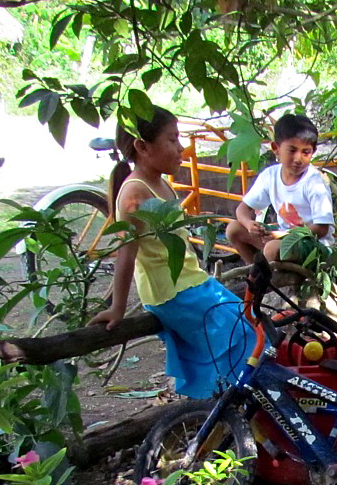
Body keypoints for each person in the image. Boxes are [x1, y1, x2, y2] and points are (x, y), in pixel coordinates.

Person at [88, 106, 255, 399]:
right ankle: (235, 408)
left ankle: (229, 406)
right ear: (142, 147)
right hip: (173, 293)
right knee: (242, 338)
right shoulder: (135, 193)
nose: (181, 149)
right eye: (172, 140)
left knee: (248, 326)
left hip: (192, 284)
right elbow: (127, 252)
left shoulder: (160, 182)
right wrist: (118, 307)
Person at [226, 113, 335, 264]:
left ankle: (263, 279)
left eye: (306, 152)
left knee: (271, 248)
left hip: (314, 244)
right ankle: (258, 274)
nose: (298, 159)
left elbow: (322, 229)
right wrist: (249, 224)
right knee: (233, 229)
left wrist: (283, 236)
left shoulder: (314, 182)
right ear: (276, 148)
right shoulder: (270, 176)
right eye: (292, 150)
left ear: (313, 152)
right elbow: (242, 210)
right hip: (282, 237)